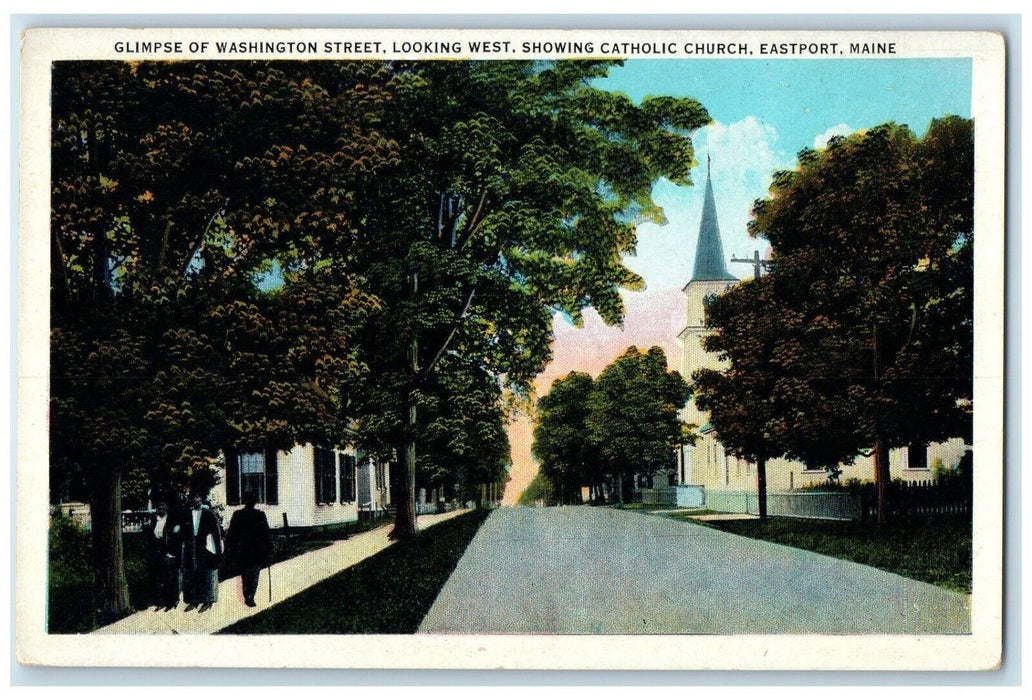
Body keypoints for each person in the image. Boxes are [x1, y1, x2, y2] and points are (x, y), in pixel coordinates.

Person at [226, 491, 273, 607]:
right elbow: (266, 533)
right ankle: (250, 595)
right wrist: (268, 546)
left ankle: (248, 594)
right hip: (251, 550)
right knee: (253, 574)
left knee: (246, 575)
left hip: (246, 550)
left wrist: (230, 547)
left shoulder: (240, 514)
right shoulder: (258, 515)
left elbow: (231, 534)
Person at [180, 491, 223, 611]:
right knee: (192, 574)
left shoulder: (208, 514)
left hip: (205, 547)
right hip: (191, 547)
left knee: (206, 574)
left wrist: (218, 552)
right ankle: (193, 601)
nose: (196, 499)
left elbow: (216, 533)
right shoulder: (187, 514)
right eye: (193, 497)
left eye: (198, 496)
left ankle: (208, 601)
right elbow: (184, 532)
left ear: (202, 499)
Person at [146, 501, 181, 610]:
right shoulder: (154, 520)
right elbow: (150, 536)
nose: (160, 508)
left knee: (171, 577)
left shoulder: (171, 520)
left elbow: (176, 538)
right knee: (159, 577)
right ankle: (160, 601)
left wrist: (173, 552)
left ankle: (172, 601)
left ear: (167, 507)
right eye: (159, 506)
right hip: (157, 552)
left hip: (169, 551)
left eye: (163, 506)